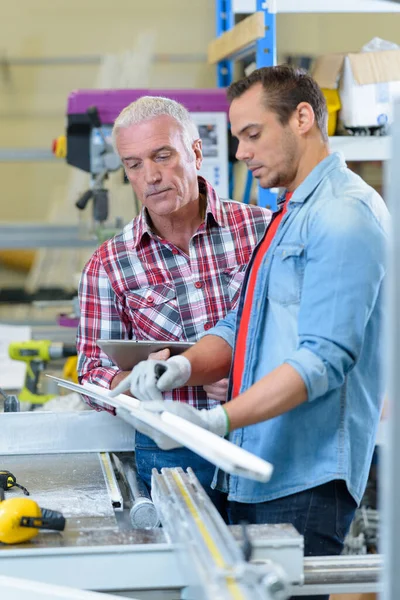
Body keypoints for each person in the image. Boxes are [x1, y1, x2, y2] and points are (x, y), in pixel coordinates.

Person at [112, 66, 389, 599]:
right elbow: (241, 322)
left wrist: (215, 419)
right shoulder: (288, 213)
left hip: (304, 476)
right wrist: (179, 368)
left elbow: (323, 360)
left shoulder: (343, 216)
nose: (240, 152)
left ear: (302, 118)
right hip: (256, 468)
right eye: (238, 137)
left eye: (253, 134)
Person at [76, 95, 271, 510]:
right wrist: (133, 385)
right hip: (172, 452)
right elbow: (92, 371)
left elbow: (298, 332)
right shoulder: (109, 264)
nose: (150, 176)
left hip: (265, 434)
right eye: (134, 164)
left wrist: (247, 372)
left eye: (162, 156)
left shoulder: (260, 231)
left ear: (196, 153)